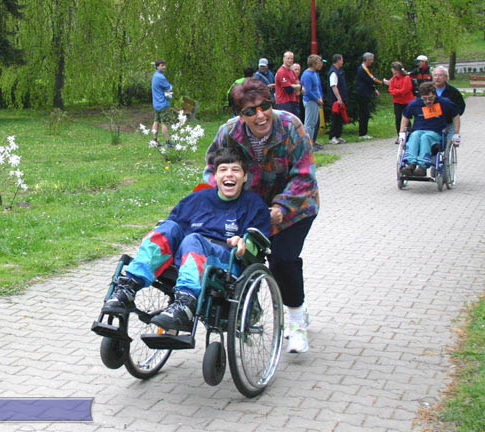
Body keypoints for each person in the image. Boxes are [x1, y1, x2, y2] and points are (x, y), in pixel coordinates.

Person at [204, 78, 319, 354]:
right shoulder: (228, 133)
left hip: (294, 207)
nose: (260, 115)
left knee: (282, 260)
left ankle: (296, 321)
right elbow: (212, 171)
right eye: (250, 111)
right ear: (239, 114)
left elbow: (304, 175)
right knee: (236, 256)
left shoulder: (291, 126)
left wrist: (280, 209)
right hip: (249, 209)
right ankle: (246, 314)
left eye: (265, 106)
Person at [102, 147, 271, 332]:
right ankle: (128, 287)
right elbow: (170, 230)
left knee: (193, 240)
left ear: (245, 177)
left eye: (235, 170)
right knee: (168, 227)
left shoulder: (255, 206)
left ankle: (185, 302)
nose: (229, 174)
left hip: (225, 261)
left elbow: (258, 244)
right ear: (215, 176)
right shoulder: (197, 199)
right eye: (223, 169)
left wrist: (243, 244)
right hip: (187, 255)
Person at [399, 82, 461, 177]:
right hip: (418, 131)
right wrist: (402, 132)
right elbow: (405, 116)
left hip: (435, 132)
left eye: (430, 98)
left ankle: (422, 166)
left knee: (425, 137)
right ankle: (411, 164)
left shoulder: (444, 103)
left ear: (435, 95)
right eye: (424, 98)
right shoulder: (415, 104)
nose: (428, 101)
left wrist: (456, 133)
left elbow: (456, 115)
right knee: (414, 135)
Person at [354, 52, 389, 140]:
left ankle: (363, 133)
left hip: (364, 93)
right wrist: (383, 82)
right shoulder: (363, 69)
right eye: (371, 60)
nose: (372, 62)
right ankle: (362, 133)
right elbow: (372, 79)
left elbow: (368, 81)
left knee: (365, 113)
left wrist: (374, 89)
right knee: (364, 113)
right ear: (367, 60)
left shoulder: (365, 68)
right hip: (362, 93)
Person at [301, 55, 324, 151]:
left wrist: (320, 97)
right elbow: (308, 91)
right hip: (310, 101)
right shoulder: (307, 75)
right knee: (309, 124)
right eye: (319, 62)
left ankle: (311, 142)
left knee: (313, 123)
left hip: (315, 101)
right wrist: (317, 99)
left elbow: (316, 88)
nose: (321, 64)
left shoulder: (314, 73)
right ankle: (306, 145)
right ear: (314, 64)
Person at [387, 62, 415, 143]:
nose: (394, 73)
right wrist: (398, 92)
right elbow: (390, 89)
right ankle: (400, 136)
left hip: (406, 101)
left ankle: (409, 135)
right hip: (397, 101)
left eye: (395, 71)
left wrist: (396, 91)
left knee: (406, 118)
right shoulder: (393, 78)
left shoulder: (406, 78)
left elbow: (405, 90)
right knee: (398, 119)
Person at [151, 59, 174, 147]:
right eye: (162, 65)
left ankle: (155, 141)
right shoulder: (161, 77)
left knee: (156, 121)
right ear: (157, 66)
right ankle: (168, 142)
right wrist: (169, 87)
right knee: (164, 123)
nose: (164, 67)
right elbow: (169, 87)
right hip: (163, 103)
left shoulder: (155, 75)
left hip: (156, 103)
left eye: (164, 65)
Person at [326, 54, 348, 145]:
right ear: (338, 61)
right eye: (341, 60)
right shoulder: (333, 72)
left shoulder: (338, 71)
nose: (342, 62)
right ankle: (332, 136)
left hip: (340, 99)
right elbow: (333, 86)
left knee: (340, 118)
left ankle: (338, 135)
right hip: (335, 100)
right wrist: (339, 98)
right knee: (335, 118)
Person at [275, 51, 303, 120]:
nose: (290, 60)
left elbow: (300, 86)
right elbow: (289, 89)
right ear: (284, 59)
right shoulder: (282, 71)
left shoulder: (292, 71)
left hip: (293, 101)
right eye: (288, 58)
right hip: (284, 102)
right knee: (286, 123)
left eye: (292, 58)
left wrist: (294, 86)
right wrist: (296, 87)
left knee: (295, 122)